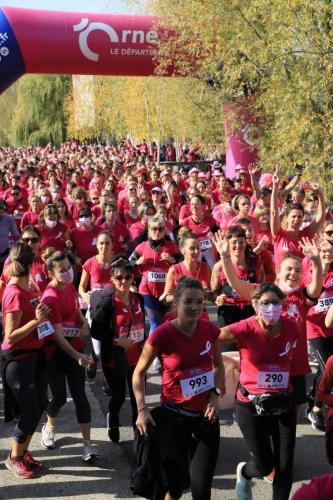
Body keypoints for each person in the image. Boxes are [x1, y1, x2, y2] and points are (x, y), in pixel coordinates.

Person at [2, 243, 91, 478]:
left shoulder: (29, 288)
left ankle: (23, 452)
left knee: (41, 405)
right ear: (32, 265)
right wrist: (36, 320)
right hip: (19, 359)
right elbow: (10, 336)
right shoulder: (14, 292)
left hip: (36, 355)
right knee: (30, 411)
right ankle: (14, 457)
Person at [133, 277, 225, 500]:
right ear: (176, 303)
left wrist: (215, 394)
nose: (195, 307)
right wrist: (142, 408)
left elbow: (219, 367)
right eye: (188, 302)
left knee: (201, 488)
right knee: (173, 488)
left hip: (205, 417)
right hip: (174, 419)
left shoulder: (210, 330)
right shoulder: (161, 334)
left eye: (200, 302)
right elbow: (138, 373)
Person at [219, 282, 299, 500]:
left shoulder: (292, 327)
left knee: (284, 467)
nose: (271, 307)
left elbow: (291, 359)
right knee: (264, 466)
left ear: (282, 304)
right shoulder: (245, 327)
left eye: (275, 302)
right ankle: (244, 473)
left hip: (283, 402)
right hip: (251, 405)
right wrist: (226, 364)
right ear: (255, 305)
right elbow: (210, 340)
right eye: (265, 303)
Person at [40, 250, 98, 462]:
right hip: (56, 353)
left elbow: (76, 312)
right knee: (59, 398)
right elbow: (57, 335)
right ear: (50, 274)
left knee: (80, 396)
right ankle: (49, 426)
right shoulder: (50, 297)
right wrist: (77, 356)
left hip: (74, 349)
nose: (68, 273)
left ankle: (87, 445)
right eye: (62, 271)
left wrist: (82, 322)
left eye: (69, 268)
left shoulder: (70, 287)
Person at [91, 259, 145, 443]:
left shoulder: (139, 300)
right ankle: (112, 418)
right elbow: (95, 331)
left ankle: (140, 440)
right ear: (112, 280)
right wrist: (116, 340)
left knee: (138, 400)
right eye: (119, 278)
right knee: (119, 396)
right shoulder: (108, 304)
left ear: (133, 279)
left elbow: (141, 328)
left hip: (138, 358)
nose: (123, 281)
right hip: (115, 358)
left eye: (127, 277)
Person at [129, 215, 181, 335]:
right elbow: (128, 264)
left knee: (165, 322)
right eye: (154, 229)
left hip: (167, 290)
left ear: (164, 230)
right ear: (148, 229)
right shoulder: (142, 246)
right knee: (155, 322)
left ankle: (163, 349)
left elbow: (183, 263)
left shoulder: (171, 246)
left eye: (161, 229)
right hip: (147, 290)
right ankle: (154, 351)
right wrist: (137, 262)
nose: (157, 232)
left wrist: (172, 259)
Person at [161, 227, 212, 304]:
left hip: (199, 312)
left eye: (198, 248)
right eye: (192, 248)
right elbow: (166, 298)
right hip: (180, 313)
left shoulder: (205, 267)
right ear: (182, 250)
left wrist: (207, 292)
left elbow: (212, 294)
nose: (196, 251)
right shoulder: (174, 270)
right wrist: (182, 297)